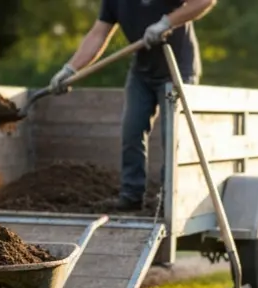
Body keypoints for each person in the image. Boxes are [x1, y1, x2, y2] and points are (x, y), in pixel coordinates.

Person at [50, 0, 218, 211]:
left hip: (177, 69)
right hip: (142, 72)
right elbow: (98, 34)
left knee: (172, 137)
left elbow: (205, 1)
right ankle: (131, 196)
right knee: (132, 132)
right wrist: (71, 69)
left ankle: (170, 199)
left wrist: (167, 22)